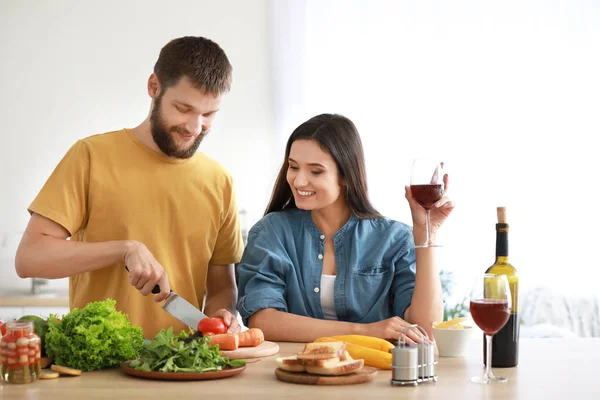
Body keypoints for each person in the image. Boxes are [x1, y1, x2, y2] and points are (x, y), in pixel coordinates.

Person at [15, 36, 244, 338]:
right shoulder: (91, 156)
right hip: (101, 370)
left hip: (183, 365)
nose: (194, 126)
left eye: (208, 114)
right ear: (154, 87)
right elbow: (30, 258)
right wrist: (124, 249)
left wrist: (222, 315)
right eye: (183, 108)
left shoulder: (220, 182)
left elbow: (222, 287)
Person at [236, 113, 454, 343]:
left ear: (346, 176)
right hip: (295, 372)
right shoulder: (271, 233)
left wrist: (425, 232)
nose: (299, 181)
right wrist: (365, 331)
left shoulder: (394, 239)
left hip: (376, 373)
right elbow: (263, 321)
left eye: (315, 171)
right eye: (293, 167)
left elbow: (425, 330)